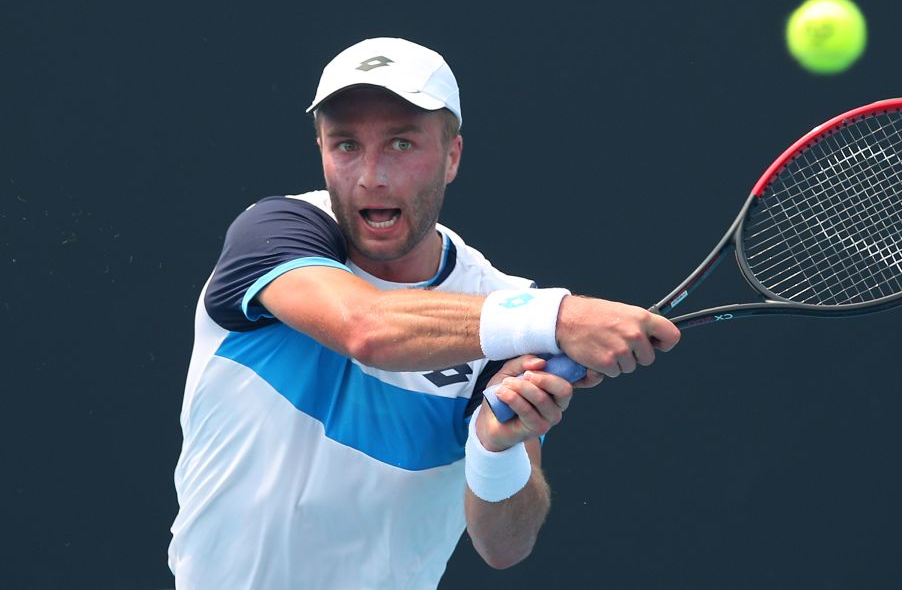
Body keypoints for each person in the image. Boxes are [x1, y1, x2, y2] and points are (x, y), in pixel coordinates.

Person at [168, 37, 681, 588]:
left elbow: (505, 545)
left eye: (401, 144)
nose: (371, 176)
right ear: (319, 148)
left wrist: (494, 445)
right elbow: (365, 327)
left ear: (452, 156)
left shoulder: (506, 314)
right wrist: (559, 317)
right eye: (345, 146)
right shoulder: (274, 234)